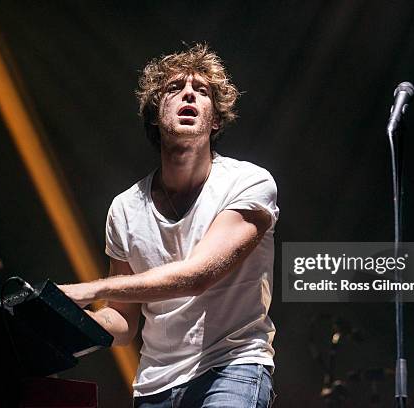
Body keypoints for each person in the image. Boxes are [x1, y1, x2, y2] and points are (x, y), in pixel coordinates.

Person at [59, 43, 278, 407]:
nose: (188, 93)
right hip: (153, 384)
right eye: (174, 89)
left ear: (217, 119)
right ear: (155, 115)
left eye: (202, 90)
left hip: (232, 369)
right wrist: (62, 321)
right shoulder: (124, 209)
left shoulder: (249, 182)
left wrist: (87, 290)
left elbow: (197, 277)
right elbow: (123, 321)